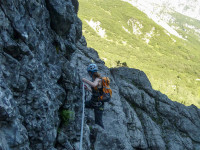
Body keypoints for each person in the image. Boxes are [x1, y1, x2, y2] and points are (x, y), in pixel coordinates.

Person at [82, 64, 110, 129]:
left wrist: (84, 80)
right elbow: (96, 93)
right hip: (93, 103)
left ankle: (101, 136)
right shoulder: (95, 80)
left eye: (89, 72)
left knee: (99, 123)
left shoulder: (98, 79)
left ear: (90, 72)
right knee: (82, 104)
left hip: (98, 106)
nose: (88, 74)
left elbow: (94, 85)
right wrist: (88, 89)